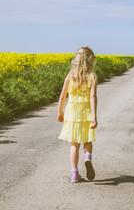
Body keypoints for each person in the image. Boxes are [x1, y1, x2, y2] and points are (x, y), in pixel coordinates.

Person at [57, 47, 98, 183]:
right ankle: (87, 157)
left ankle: (74, 174)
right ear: (90, 59)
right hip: (86, 111)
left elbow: (63, 96)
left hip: (72, 112)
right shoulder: (92, 76)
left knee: (74, 144)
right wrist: (94, 116)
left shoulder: (70, 76)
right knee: (87, 139)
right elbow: (92, 96)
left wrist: (59, 111)